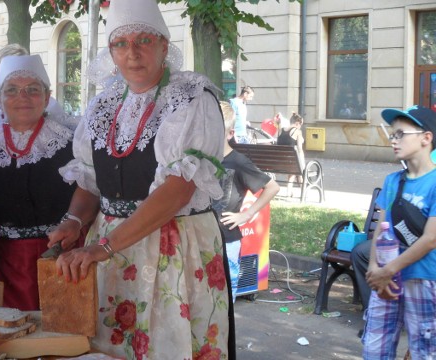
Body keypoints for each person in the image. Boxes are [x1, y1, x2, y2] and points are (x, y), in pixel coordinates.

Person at [47, 0, 235, 357]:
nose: (132, 53)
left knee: (169, 345)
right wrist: (74, 220)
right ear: (111, 52)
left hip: (173, 246)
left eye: (144, 40)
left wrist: (104, 246)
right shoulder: (103, 105)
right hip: (110, 251)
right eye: (121, 43)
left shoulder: (192, 98)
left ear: (165, 45)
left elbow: (178, 190)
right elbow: (89, 180)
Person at [0, 55, 79, 310]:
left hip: (62, 258)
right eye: (12, 90)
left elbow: (87, 198)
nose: (22, 97)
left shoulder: (73, 143)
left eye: (32, 90)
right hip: (4, 262)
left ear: (47, 98)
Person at [362, 105, 436, 359]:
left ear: (426, 138)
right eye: (392, 135)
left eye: (401, 134)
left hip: (423, 279)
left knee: (424, 351)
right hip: (386, 280)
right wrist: (374, 268)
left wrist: (387, 270)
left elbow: (431, 239)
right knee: (375, 347)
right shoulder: (393, 181)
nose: (393, 140)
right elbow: (382, 227)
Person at [214, 102, 280, 302]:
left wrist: (246, 214)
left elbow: (272, 187)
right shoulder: (202, 159)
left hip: (227, 239)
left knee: (225, 298)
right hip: (203, 238)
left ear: (230, 133)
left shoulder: (238, 162)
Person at [276, 112, 305, 197]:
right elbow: (300, 149)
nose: (300, 127)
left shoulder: (280, 130)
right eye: (301, 125)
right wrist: (302, 163)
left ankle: (294, 191)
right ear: (297, 123)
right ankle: (292, 191)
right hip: (291, 162)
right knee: (296, 165)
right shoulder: (297, 131)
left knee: (293, 165)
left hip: (278, 162)